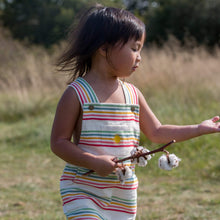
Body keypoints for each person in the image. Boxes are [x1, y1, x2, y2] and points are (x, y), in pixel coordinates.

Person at [50, 5, 220, 220]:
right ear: (103, 48)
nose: (139, 57)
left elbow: (157, 132)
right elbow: (59, 142)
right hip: (83, 188)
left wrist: (199, 128)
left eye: (140, 50)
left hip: (123, 192)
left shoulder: (133, 94)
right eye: (134, 48)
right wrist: (92, 161)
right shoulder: (77, 93)